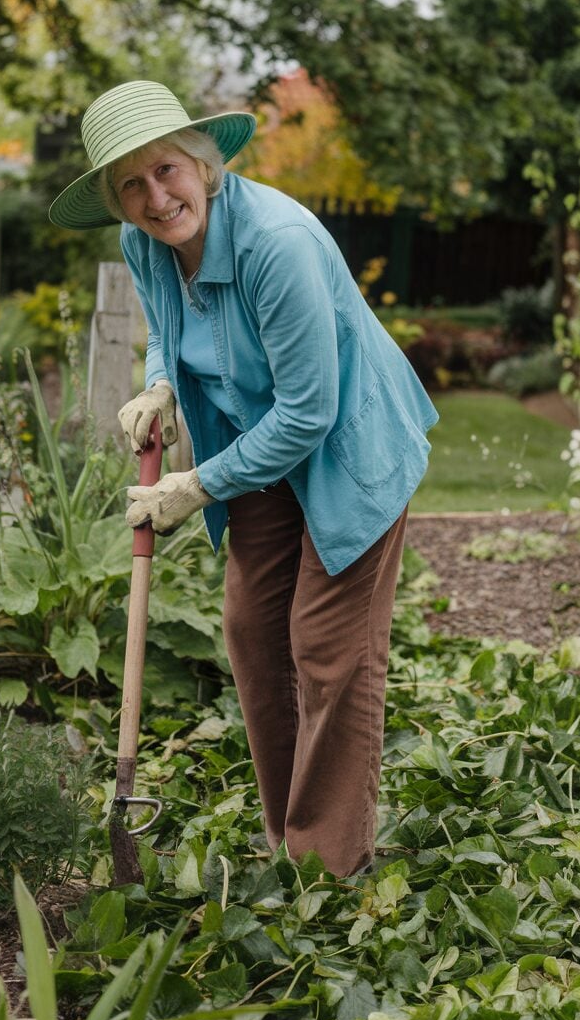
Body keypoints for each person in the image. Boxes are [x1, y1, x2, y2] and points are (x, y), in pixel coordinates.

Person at [50, 79, 439, 877]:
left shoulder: (277, 245)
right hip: (253, 443)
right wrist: (158, 383)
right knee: (255, 635)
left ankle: (328, 867)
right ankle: (286, 833)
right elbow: (169, 327)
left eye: (166, 170)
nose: (156, 198)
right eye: (132, 183)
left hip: (344, 445)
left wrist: (194, 486)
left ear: (201, 161)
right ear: (117, 202)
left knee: (327, 646)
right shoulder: (144, 243)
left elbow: (309, 414)